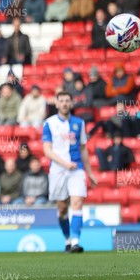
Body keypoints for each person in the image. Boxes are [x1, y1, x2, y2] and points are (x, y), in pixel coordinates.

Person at [43, 91, 97, 253]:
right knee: (62, 209)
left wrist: (90, 172)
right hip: (58, 170)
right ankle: (67, 239)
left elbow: (83, 148)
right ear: (57, 104)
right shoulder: (49, 123)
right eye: (62, 101)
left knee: (77, 203)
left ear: (72, 103)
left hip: (76, 169)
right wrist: (65, 164)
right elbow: (47, 151)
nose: (65, 103)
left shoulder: (79, 123)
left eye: (68, 100)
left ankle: (75, 242)